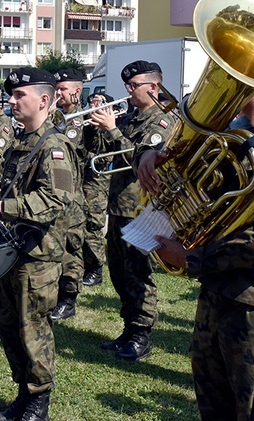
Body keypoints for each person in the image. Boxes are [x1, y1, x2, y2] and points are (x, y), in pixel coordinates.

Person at [138, 90, 254, 420]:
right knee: (214, 405)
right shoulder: (232, 138)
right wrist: (155, 157)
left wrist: (191, 259)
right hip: (216, 295)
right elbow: (198, 190)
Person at [0, 67, 78, 421]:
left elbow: (54, 200)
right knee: (7, 325)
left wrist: (0, 209)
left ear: (44, 100)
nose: (12, 101)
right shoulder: (22, 141)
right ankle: (23, 392)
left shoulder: (55, 146)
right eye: (11, 95)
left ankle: (38, 403)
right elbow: (11, 188)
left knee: (31, 328)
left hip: (38, 256)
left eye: (20, 96)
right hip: (12, 250)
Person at [87, 60, 175, 361]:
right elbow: (105, 152)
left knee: (139, 272)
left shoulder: (162, 122)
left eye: (133, 85)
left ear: (153, 87)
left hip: (142, 207)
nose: (128, 90)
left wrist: (112, 129)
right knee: (119, 271)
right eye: (127, 85)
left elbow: (141, 160)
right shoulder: (131, 118)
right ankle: (128, 327)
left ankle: (142, 333)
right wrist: (97, 125)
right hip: (119, 204)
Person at [48, 68, 87, 321]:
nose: (59, 93)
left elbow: (68, 146)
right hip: (54, 189)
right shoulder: (56, 117)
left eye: (63, 89)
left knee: (70, 248)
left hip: (72, 194)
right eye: (57, 89)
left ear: (77, 91)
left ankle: (69, 297)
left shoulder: (79, 120)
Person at [81, 88, 114, 288]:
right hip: (84, 179)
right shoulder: (91, 124)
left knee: (94, 224)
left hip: (99, 181)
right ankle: (84, 264)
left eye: (100, 102)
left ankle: (96, 268)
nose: (95, 105)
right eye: (93, 101)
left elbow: (102, 149)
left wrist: (105, 124)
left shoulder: (112, 126)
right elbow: (88, 143)